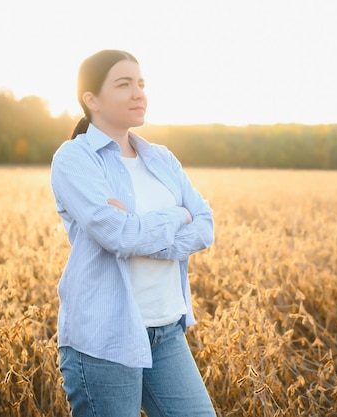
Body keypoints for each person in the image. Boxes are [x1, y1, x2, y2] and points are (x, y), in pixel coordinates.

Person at [50, 49, 216, 417]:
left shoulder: (161, 158)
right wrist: (178, 214)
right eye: (124, 84)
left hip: (167, 330)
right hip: (105, 338)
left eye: (141, 83)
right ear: (91, 99)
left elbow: (205, 227)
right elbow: (118, 236)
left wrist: (141, 232)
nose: (138, 93)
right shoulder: (74, 159)